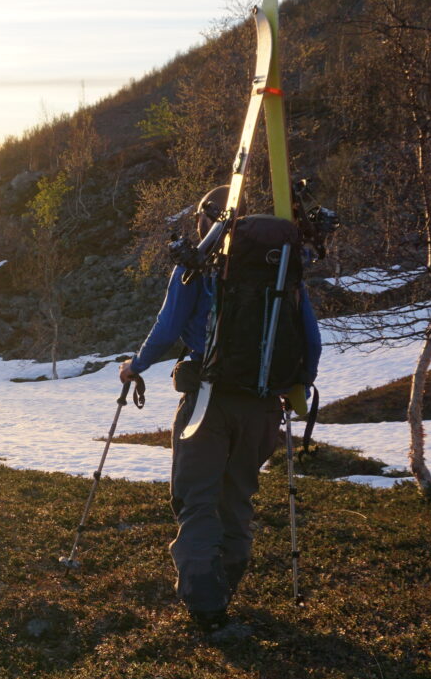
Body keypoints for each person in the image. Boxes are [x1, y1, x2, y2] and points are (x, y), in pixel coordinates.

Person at [120, 186, 321, 634]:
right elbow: (310, 337)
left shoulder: (199, 265)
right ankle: (222, 589)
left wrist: (136, 365)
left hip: (206, 403)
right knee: (237, 501)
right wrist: (294, 389)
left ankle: (206, 604)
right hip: (264, 406)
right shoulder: (283, 269)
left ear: (204, 221)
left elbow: (168, 326)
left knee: (196, 500)